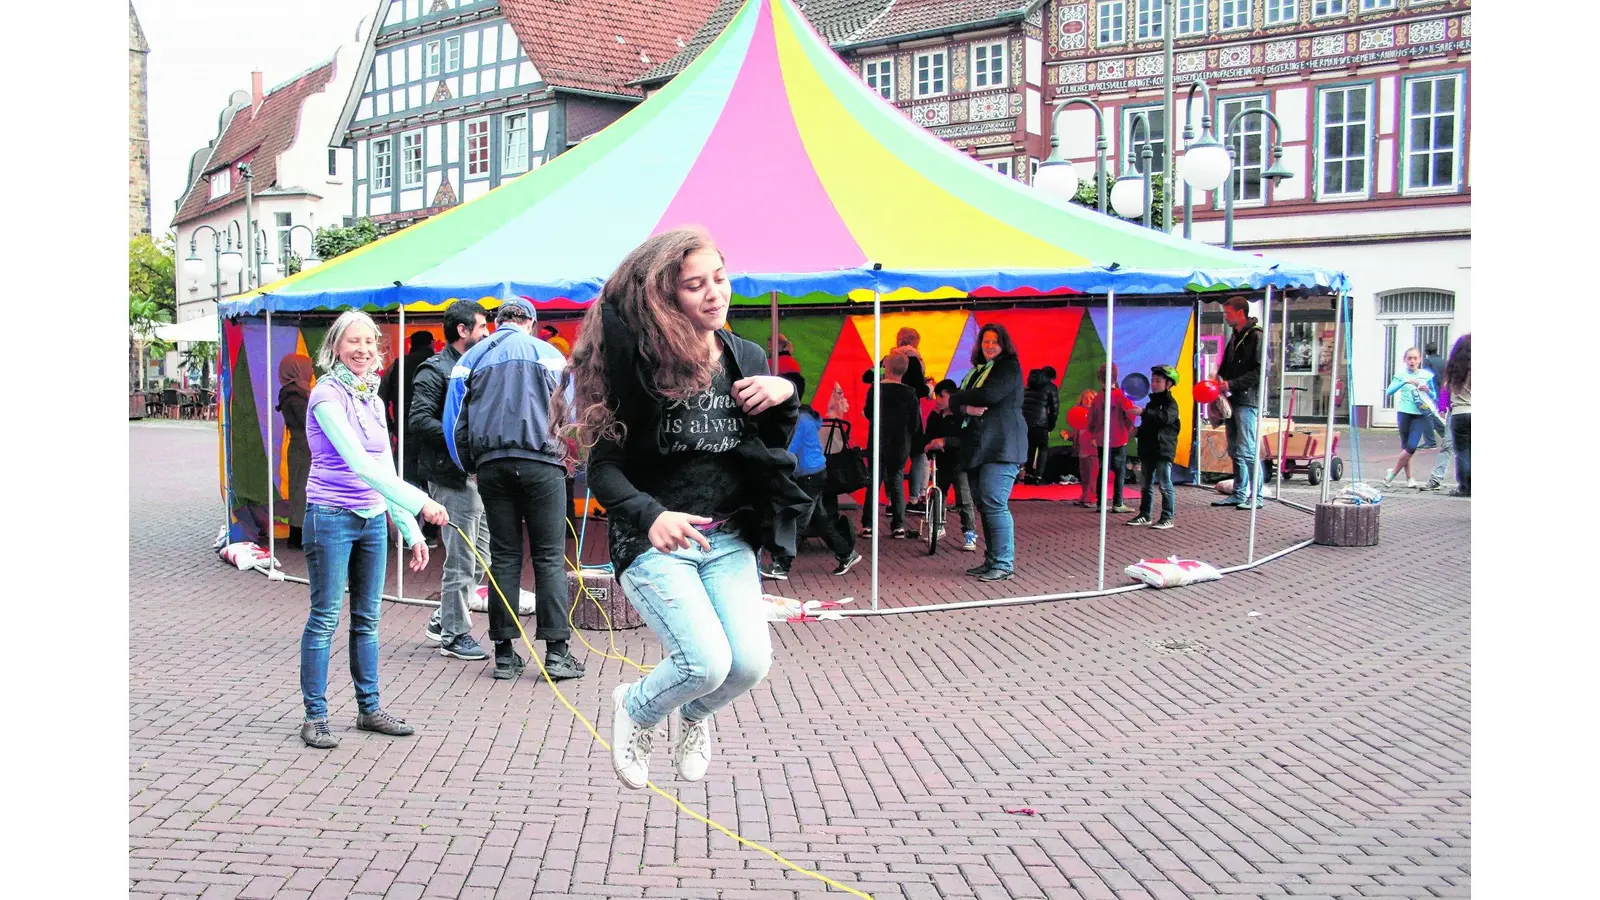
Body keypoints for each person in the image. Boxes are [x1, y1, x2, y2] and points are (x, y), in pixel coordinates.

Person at [555, 226, 809, 789]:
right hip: (655, 542)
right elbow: (603, 468)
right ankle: (636, 708)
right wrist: (651, 516)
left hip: (728, 537)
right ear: (665, 298)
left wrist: (786, 392)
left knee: (748, 665)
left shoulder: (744, 355)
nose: (715, 293)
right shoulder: (640, 364)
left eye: (719, 278)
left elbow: (765, 446)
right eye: (695, 286)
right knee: (705, 663)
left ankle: (693, 717)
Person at [298, 310, 447, 750]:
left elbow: (383, 467)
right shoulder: (326, 395)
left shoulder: (369, 395)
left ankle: (369, 709)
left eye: (370, 342)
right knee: (325, 618)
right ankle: (316, 716)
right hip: (330, 516)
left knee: (368, 620)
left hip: (370, 519)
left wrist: (410, 528)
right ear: (335, 347)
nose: (363, 350)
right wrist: (422, 502)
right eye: (353, 342)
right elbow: (359, 465)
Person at [445, 298, 585, 682]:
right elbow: (572, 415)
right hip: (543, 463)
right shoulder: (551, 355)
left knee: (504, 557)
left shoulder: (470, 358)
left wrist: (470, 465)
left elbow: (453, 421)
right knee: (549, 557)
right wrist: (571, 457)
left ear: (498, 322)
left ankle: (504, 655)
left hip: (492, 466)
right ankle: (556, 654)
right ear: (531, 323)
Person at [408, 299, 492, 661]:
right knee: (462, 558)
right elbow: (418, 420)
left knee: (482, 555)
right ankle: (455, 635)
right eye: (482, 327)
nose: (488, 333)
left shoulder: (473, 365)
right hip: (450, 476)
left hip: (471, 475)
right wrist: (462, 437)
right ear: (463, 331)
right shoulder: (434, 370)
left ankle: (444, 618)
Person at [761, 372, 861, 579]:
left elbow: (789, 449)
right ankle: (846, 553)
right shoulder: (806, 415)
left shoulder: (798, 420)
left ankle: (782, 565)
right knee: (820, 519)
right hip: (815, 473)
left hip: (808, 476)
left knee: (796, 519)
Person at [949, 323, 1026, 582]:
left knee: (994, 502)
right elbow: (958, 403)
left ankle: (1003, 563)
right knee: (985, 505)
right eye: (985, 341)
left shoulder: (1008, 367)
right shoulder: (976, 372)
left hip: (1002, 447)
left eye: (994, 341)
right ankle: (993, 560)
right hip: (980, 448)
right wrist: (965, 405)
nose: (989, 345)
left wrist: (960, 398)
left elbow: (989, 395)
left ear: (1004, 344)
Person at [863, 328, 931, 511]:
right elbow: (918, 389)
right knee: (918, 455)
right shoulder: (914, 361)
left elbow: (867, 376)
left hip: (884, 419)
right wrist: (929, 387)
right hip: (907, 417)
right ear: (915, 342)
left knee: (884, 463)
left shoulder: (887, 359)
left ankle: (891, 501)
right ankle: (914, 499)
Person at [861, 348, 922, 539]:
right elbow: (915, 422)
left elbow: (869, 412)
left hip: (878, 441)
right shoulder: (910, 393)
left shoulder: (876, 389)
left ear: (885, 367)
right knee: (896, 480)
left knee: (874, 481)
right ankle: (898, 525)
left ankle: (868, 525)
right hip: (900, 443)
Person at [1212, 296, 1266, 510]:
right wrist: (1218, 380)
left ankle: (1257, 496)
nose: (1225, 317)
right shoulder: (1235, 336)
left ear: (1240, 313)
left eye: (1228, 313)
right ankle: (1239, 493)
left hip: (1246, 399)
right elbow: (1225, 365)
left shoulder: (1255, 336)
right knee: (1235, 448)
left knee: (1248, 448)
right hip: (1232, 398)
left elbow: (1259, 371)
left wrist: (1231, 384)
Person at [921, 379, 978, 552]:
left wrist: (945, 441)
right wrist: (929, 447)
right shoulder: (934, 416)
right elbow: (928, 437)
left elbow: (968, 440)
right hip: (940, 463)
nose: (938, 400)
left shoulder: (963, 417)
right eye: (937, 396)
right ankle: (937, 525)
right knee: (938, 494)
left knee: (964, 499)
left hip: (960, 463)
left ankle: (969, 532)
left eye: (942, 396)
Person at [1127, 365, 1181, 529]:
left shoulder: (1171, 404)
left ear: (1169, 384)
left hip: (1163, 450)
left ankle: (1167, 517)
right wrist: (1136, 431)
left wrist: (1143, 413)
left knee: (1165, 485)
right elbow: (1148, 426)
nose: (1154, 384)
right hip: (1148, 449)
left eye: (1158, 381)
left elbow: (1164, 419)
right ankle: (1145, 514)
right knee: (1145, 485)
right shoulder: (1151, 405)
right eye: (1152, 381)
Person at [380, 330, 438, 481]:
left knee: (405, 481)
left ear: (411, 344)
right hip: (434, 433)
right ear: (431, 343)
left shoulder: (398, 365)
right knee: (433, 485)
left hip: (404, 430)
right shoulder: (439, 363)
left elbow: (380, 398)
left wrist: (388, 425)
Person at [1381, 347, 1437, 489]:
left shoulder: (1426, 376)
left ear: (1420, 360)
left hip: (1420, 414)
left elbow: (1435, 396)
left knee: (1411, 447)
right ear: (1405, 360)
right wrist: (1405, 382)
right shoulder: (1400, 375)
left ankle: (1392, 473)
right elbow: (1389, 391)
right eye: (1409, 358)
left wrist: (1428, 390)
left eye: (1415, 358)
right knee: (1405, 447)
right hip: (1404, 413)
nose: (1412, 361)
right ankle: (1409, 478)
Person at [1088, 363, 1138, 514]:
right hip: (1119, 439)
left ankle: (1100, 503)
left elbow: (1091, 420)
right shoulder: (1120, 396)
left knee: (1103, 470)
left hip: (1102, 439)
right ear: (1116, 377)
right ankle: (1118, 502)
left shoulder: (1098, 398)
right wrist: (1129, 427)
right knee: (1120, 471)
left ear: (1099, 378)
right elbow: (1130, 415)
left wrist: (1095, 432)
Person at [276, 353, 314, 549]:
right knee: (301, 490)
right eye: (308, 367)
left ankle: (300, 531)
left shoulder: (295, 392)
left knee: (302, 489)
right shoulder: (294, 395)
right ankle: (297, 533)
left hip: (303, 446)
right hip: (303, 448)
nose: (312, 371)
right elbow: (307, 421)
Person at [1021, 366, 1060, 484]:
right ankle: (1038, 476)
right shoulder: (1050, 387)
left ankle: (1028, 475)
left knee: (1030, 448)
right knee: (1043, 449)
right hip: (1041, 423)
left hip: (1026, 422)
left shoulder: (1028, 386)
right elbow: (1055, 409)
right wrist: (1051, 424)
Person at [1443, 334, 1470, 497]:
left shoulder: (1455, 368)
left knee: (1462, 452)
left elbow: (1447, 388)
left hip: (1459, 412)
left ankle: (1465, 487)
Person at [1067, 389, 1100, 508]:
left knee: (1092, 475)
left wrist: (1097, 439)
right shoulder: (1078, 413)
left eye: (1091, 398)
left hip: (1092, 449)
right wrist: (1069, 435)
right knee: (1084, 474)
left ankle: (1091, 497)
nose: (1088, 400)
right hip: (1082, 449)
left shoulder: (1098, 414)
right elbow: (1077, 430)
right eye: (1085, 398)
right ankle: (1085, 495)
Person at [1419, 341, 1447, 449]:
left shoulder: (1428, 361)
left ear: (1426, 351)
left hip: (1431, 392)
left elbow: (1427, 376)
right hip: (1442, 391)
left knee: (1427, 415)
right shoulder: (1444, 361)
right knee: (1433, 415)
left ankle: (1431, 441)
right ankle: (1444, 435)